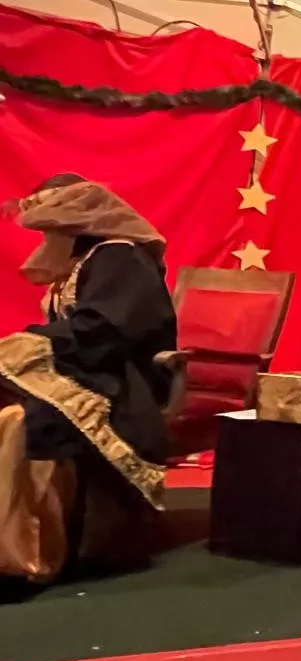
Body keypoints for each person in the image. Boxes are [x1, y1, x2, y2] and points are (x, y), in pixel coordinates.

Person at [0, 174, 176, 592]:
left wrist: (31, 343)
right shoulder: (82, 261)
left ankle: (29, 556)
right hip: (84, 368)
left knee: (22, 422)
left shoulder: (119, 257)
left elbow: (107, 331)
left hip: (121, 382)